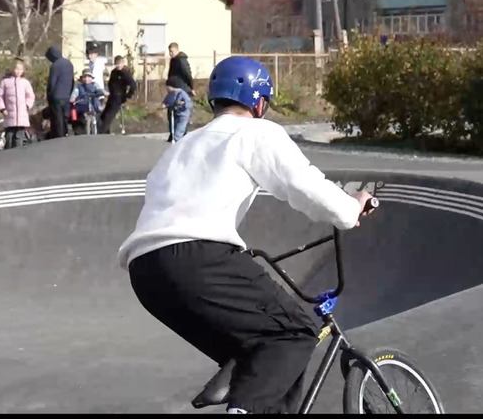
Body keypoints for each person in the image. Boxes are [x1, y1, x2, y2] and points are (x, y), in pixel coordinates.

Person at [118, 56, 376, 414]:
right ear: (260, 102)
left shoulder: (182, 146)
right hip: (199, 259)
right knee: (293, 334)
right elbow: (305, 185)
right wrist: (350, 208)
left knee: (267, 362)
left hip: (146, 272)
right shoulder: (256, 132)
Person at [0, 58, 36, 149]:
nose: (18, 71)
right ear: (12, 69)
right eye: (16, 69)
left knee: (19, 139)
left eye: (20, 69)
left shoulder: (25, 83)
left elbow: (31, 96)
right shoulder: (5, 82)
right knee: (9, 139)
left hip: (22, 117)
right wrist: (3, 109)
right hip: (9, 116)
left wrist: (27, 105)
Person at [99, 55, 136, 134]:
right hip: (112, 96)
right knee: (103, 116)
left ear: (123, 64)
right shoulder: (114, 72)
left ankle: (101, 133)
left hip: (119, 98)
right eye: (117, 64)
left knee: (108, 116)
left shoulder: (125, 73)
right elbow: (110, 83)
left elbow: (133, 85)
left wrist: (127, 95)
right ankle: (106, 133)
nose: (118, 66)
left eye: (120, 64)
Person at [45, 45, 74, 139]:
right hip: (66, 96)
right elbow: (72, 81)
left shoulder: (55, 65)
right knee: (65, 116)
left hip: (56, 96)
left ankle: (58, 136)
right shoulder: (69, 64)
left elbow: (52, 82)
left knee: (57, 118)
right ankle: (66, 133)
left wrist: (49, 95)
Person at [69, 69, 105, 135]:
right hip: (82, 105)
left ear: (91, 78)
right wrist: (73, 98)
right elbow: (75, 92)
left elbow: (99, 89)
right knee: (77, 118)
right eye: (84, 77)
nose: (86, 79)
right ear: (82, 78)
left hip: (93, 105)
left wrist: (104, 92)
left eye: (88, 77)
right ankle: (79, 132)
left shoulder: (94, 84)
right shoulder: (79, 85)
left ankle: (97, 130)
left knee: (98, 117)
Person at [162, 76, 191, 143]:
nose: (166, 88)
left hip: (182, 115)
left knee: (179, 130)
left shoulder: (182, 93)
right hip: (174, 114)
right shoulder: (170, 95)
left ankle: (176, 140)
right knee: (174, 128)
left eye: (167, 86)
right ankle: (183, 139)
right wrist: (163, 105)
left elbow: (188, 103)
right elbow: (166, 101)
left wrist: (182, 103)